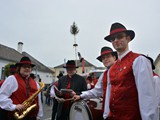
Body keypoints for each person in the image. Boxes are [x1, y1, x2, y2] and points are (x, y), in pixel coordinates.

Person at [102, 22, 158, 120]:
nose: (116, 40)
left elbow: (147, 97)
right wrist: (106, 115)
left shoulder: (139, 60)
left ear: (128, 38)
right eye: (113, 39)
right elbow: (109, 93)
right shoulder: (112, 68)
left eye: (119, 37)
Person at [74, 46, 117, 117]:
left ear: (114, 58)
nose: (105, 59)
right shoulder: (104, 75)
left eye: (108, 56)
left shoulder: (122, 70)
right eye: (103, 58)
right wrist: (81, 96)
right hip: (108, 113)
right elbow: (96, 91)